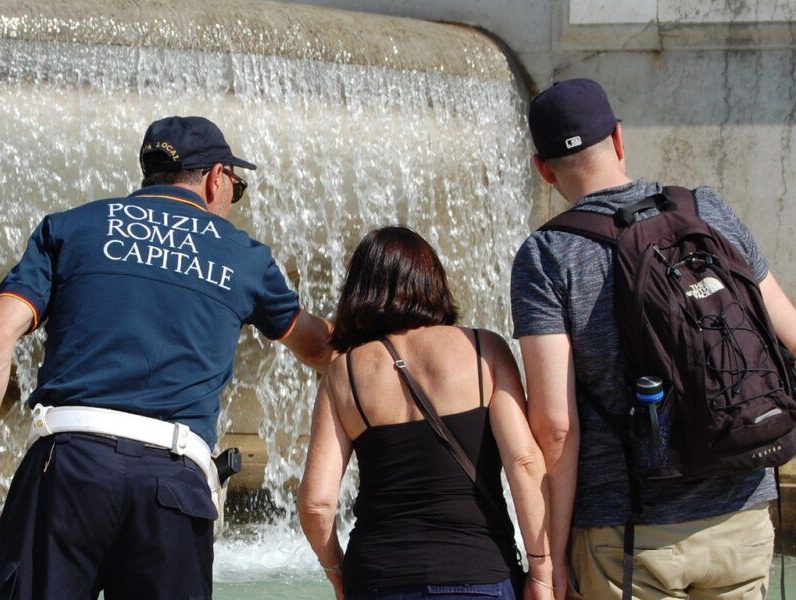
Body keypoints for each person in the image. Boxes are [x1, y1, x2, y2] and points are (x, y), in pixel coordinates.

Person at [0, 115, 335, 599]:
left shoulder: (69, 229)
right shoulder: (243, 256)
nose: (231, 202)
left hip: (65, 470)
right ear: (217, 177)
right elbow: (321, 348)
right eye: (236, 189)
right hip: (173, 485)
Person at [512, 78, 796, 599]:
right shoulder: (705, 209)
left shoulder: (548, 254)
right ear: (619, 140)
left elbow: (555, 427)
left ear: (544, 170)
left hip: (628, 534)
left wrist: (547, 560)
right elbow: (790, 335)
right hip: (742, 515)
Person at [298, 226, 553, 600]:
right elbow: (525, 463)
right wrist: (542, 569)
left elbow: (316, 503)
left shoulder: (344, 373)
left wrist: (337, 571)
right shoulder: (485, 350)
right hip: (478, 573)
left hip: (377, 577)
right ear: (433, 281)